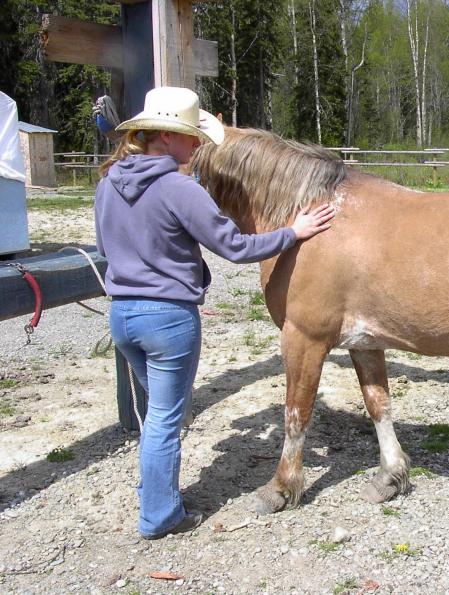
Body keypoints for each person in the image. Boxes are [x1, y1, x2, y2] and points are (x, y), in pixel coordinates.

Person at [94, 86, 334, 540]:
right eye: (190, 137)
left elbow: (108, 248)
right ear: (165, 138)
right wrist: (294, 232)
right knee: (166, 419)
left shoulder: (108, 184)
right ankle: (160, 516)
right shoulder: (179, 189)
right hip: (168, 318)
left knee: (157, 413)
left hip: (122, 315)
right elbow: (236, 247)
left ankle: (154, 492)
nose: (198, 146)